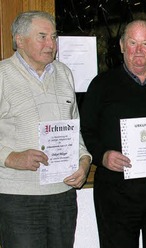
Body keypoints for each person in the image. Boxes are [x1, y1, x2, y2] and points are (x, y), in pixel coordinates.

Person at [80, 20, 146, 248]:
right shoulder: (101, 85)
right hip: (115, 194)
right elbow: (86, 130)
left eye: (145, 43)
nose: (138, 50)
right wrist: (103, 156)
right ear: (122, 46)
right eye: (133, 43)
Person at [0, 11, 92, 247]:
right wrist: (10, 157)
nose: (51, 44)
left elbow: (74, 129)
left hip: (63, 195)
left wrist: (83, 160)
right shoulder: (2, 75)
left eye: (54, 37)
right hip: (18, 197)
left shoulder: (64, 74)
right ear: (19, 40)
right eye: (42, 37)